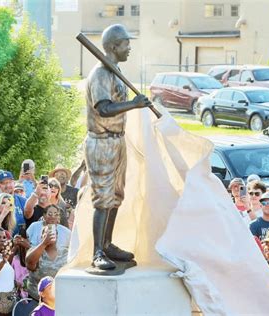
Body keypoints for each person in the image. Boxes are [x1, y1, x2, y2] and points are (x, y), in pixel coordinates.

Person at [84, 24, 152, 270]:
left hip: (117, 140)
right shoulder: (100, 74)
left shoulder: (115, 71)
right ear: (113, 47)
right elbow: (103, 109)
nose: (129, 47)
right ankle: (97, 252)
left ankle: (108, 243)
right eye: (125, 43)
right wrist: (134, 105)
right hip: (101, 142)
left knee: (115, 197)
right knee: (102, 198)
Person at [25, 225, 68, 300]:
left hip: (59, 300)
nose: (50, 235)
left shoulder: (65, 252)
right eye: (47, 233)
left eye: (53, 232)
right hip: (37, 299)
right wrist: (44, 243)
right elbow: (30, 264)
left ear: (57, 236)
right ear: (42, 236)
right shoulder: (34, 251)